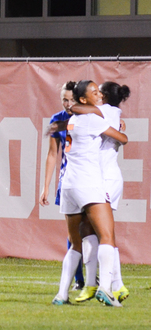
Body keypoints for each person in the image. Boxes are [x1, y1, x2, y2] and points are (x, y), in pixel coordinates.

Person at [52, 80, 127, 307]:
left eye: (100, 92)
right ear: (84, 99)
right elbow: (122, 139)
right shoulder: (93, 118)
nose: (99, 96)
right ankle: (106, 287)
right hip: (88, 183)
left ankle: (62, 294)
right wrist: (120, 131)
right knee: (107, 236)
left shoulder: (73, 120)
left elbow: (72, 111)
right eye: (95, 93)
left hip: (69, 185)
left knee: (76, 243)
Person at [39, 81, 85, 290]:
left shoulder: (88, 118)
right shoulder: (57, 120)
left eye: (72, 100)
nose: (68, 104)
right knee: (73, 233)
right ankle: (79, 280)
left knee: (92, 233)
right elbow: (52, 154)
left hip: (89, 180)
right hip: (67, 182)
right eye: (64, 100)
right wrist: (45, 186)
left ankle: (98, 279)